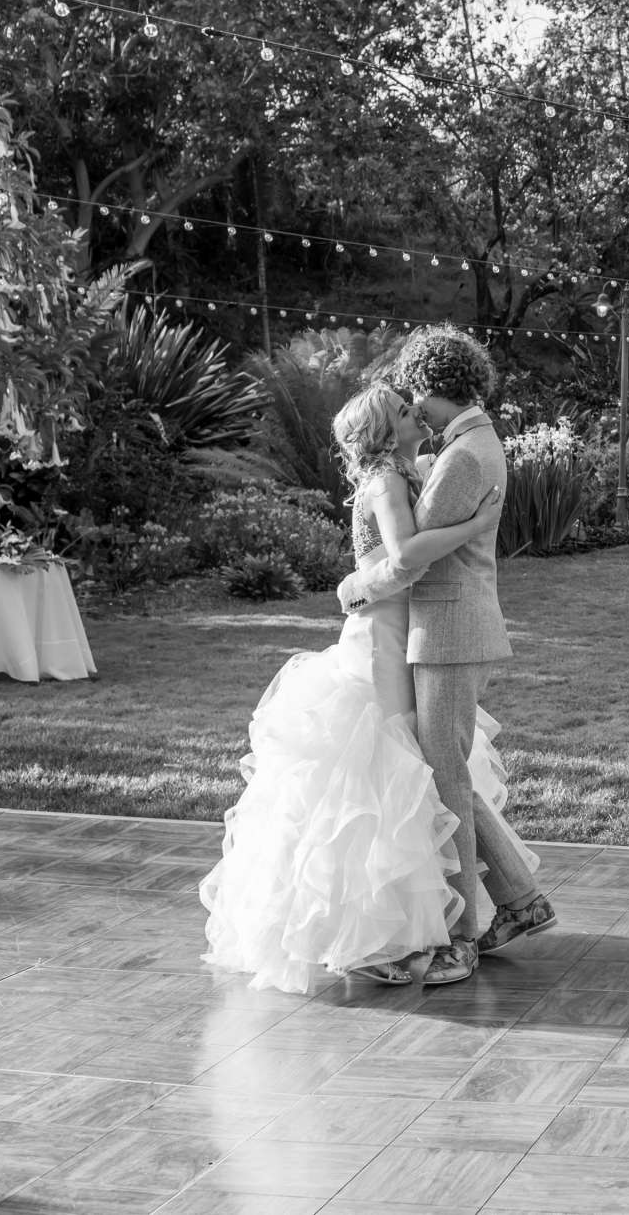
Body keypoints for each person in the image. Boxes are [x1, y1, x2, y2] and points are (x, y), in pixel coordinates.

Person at [202, 385, 513, 994]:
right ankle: (372, 933)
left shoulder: (409, 469)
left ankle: (399, 928)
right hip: (382, 639)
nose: (415, 413)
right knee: (377, 776)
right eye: (403, 412)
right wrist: (478, 524)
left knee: (401, 775)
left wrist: (358, 581)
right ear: (384, 433)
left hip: (397, 631)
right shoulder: (387, 481)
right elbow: (403, 560)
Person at [335, 328, 554, 986]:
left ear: (433, 388)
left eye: (414, 396)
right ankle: (519, 901)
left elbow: (407, 556)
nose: (413, 407)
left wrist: (355, 584)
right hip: (430, 631)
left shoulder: (462, 457)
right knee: (443, 772)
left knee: (444, 774)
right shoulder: (460, 449)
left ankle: (461, 936)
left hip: (448, 630)